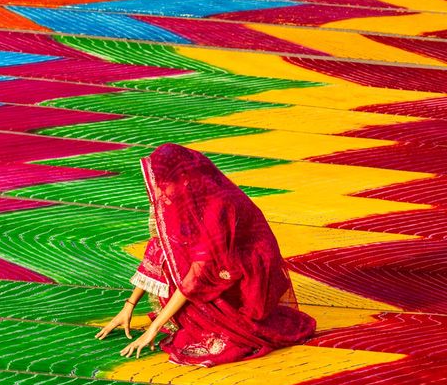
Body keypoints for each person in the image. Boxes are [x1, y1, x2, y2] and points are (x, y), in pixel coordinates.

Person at [96, 143, 316, 366]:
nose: (162, 192)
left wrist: (153, 329)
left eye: (166, 185)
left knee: (210, 323)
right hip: (217, 265)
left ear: (183, 179)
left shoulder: (217, 206)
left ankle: (222, 313)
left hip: (249, 274)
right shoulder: (184, 199)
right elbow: (160, 246)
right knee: (173, 253)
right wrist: (129, 304)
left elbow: (199, 274)